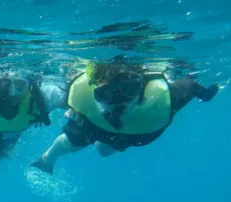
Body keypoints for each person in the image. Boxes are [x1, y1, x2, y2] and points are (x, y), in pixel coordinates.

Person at [30, 62, 220, 174]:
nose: (119, 101)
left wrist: (206, 93)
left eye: (129, 89)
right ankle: (46, 160)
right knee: (77, 138)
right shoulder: (82, 92)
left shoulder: (165, 96)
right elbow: (193, 87)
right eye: (106, 94)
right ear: (93, 88)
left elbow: (192, 86)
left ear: (142, 85)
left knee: (102, 151)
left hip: (134, 131)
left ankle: (51, 157)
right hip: (101, 125)